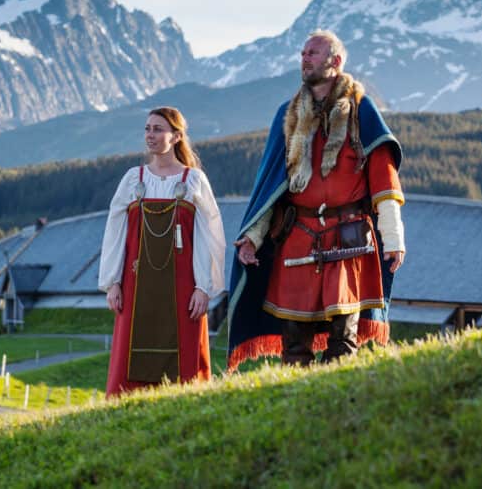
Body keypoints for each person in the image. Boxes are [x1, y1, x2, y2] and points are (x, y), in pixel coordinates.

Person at [227, 30, 405, 369]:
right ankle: (294, 395)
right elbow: (272, 185)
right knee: (294, 339)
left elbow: (384, 179)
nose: (304, 58)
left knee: (343, 336)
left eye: (313, 53)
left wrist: (393, 237)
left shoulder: (361, 110)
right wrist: (253, 237)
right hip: (297, 235)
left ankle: (338, 394)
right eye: (303, 53)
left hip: (348, 237)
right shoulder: (289, 114)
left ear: (335, 61)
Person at [99, 106, 226, 397]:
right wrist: (113, 282)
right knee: (130, 354)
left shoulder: (193, 180)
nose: (150, 135)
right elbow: (115, 232)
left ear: (176, 136)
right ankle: (126, 404)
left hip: (183, 285)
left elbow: (209, 237)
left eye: (158, 129)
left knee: (185, 359)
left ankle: (186, 401)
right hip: (135, 284)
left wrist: (203, 287)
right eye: (147, 129)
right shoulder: (133, 179)